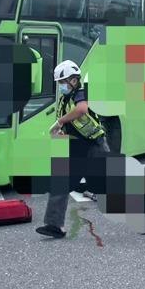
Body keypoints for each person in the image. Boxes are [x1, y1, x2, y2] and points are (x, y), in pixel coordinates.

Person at [36, 60, 110, 239]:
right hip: (77, 149)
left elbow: (82, 109)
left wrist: (61, 121)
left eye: (63, 82)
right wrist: (59, 132)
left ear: (74, 81)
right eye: (59, 83)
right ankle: (54, 226)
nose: (61, 86)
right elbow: (69, 127)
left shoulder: (81, 93)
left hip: (95, 146)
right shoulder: (64, 100)